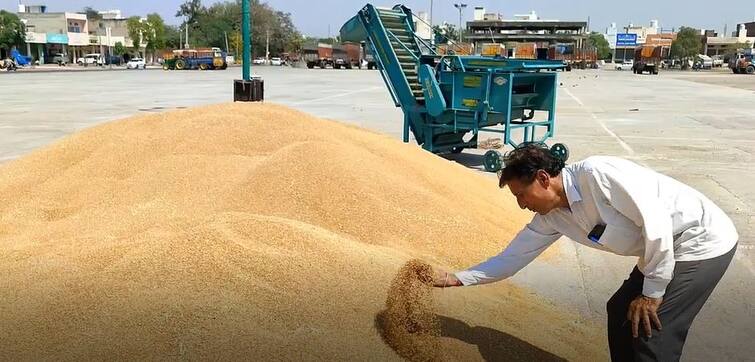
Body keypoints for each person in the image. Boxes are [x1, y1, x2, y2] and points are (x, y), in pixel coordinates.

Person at [433, 143, 738, 361]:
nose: (522, 204)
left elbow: (655, 222)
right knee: (620, 310)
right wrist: (457, 278)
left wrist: (652, 293)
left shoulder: (597, 175)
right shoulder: (551, 217)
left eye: (522, 195)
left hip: (699, 239)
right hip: (660, 247)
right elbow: (512, 258)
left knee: (651, 329)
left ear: (542, 178)